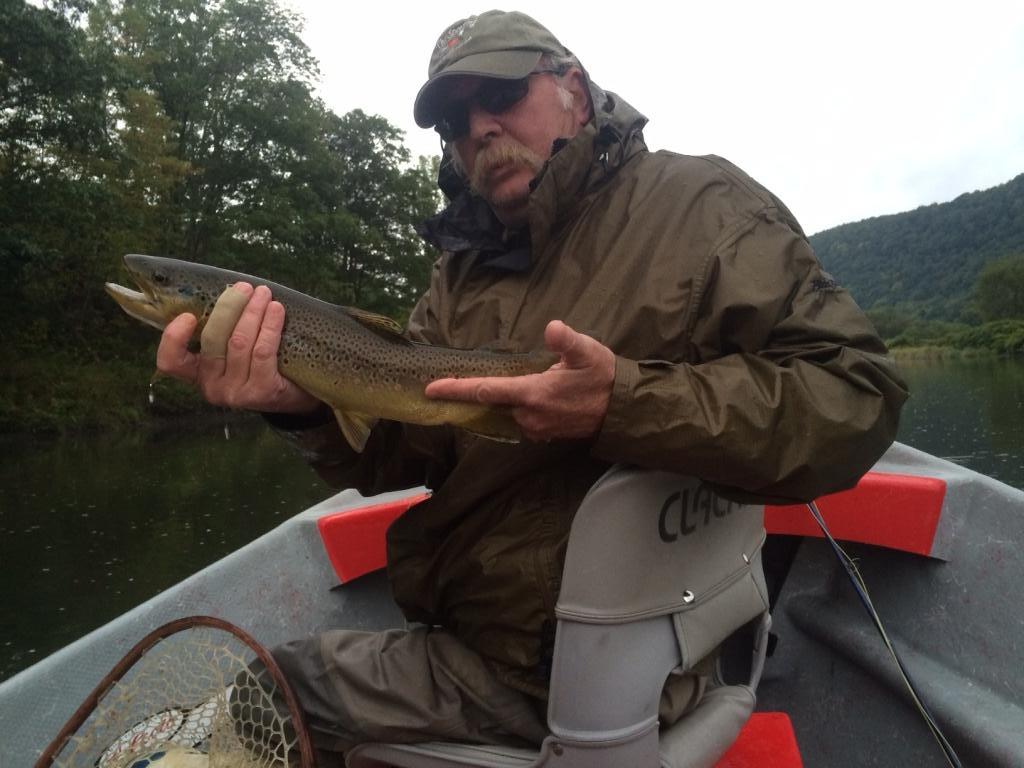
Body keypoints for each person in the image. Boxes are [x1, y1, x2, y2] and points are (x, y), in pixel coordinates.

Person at [156, 10, 908, 763]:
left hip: (554, 668)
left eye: (501, 94)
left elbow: (857, 391)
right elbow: (404, 450)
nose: (478, 129)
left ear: (573, 88)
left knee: (272, 693)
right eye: (454, 122)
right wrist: (300, 405)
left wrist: (619, 405)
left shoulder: (703, 205)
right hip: (507, 635)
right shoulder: (461, 271)